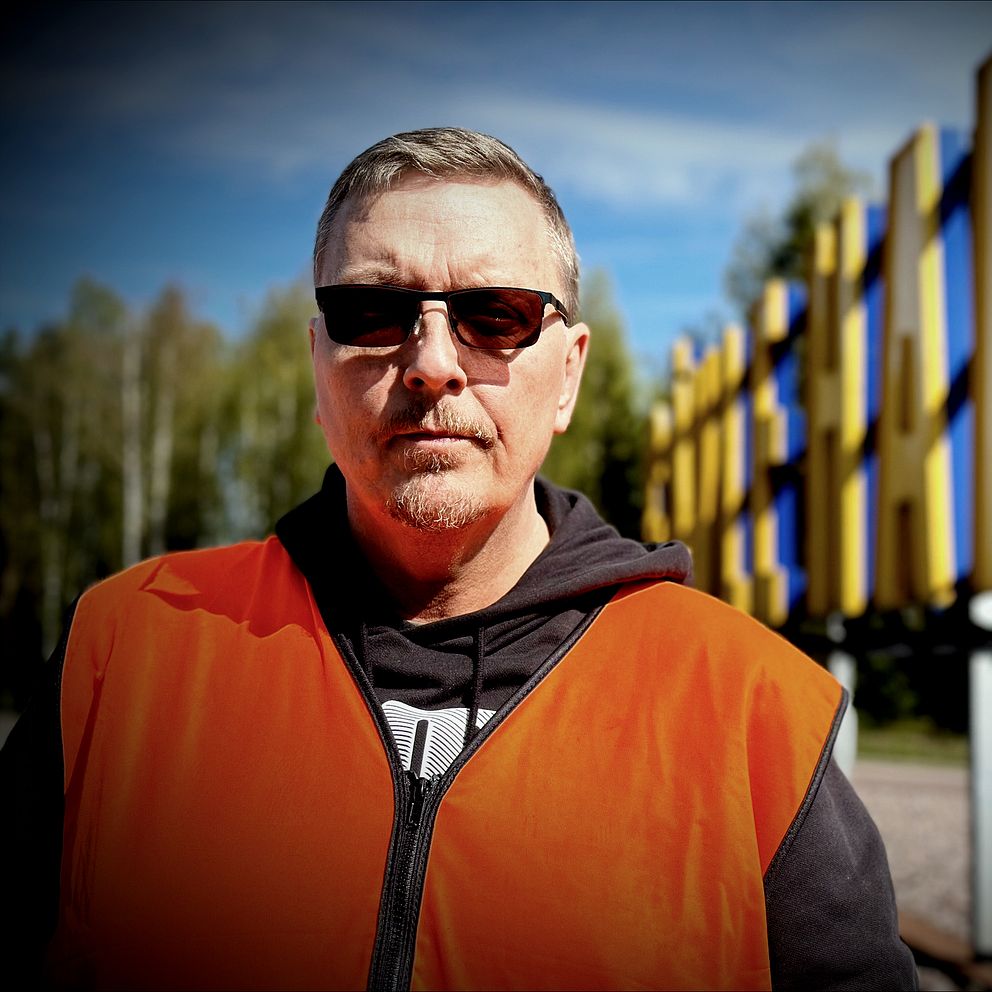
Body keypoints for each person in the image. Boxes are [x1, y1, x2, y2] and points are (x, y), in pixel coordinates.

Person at [1, 127, 917, 991]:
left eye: (496, 314)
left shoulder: (751, 710)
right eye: (373, 310)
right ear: (317, 362)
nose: (432, 362)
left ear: (569, 373)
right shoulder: (123, 655)